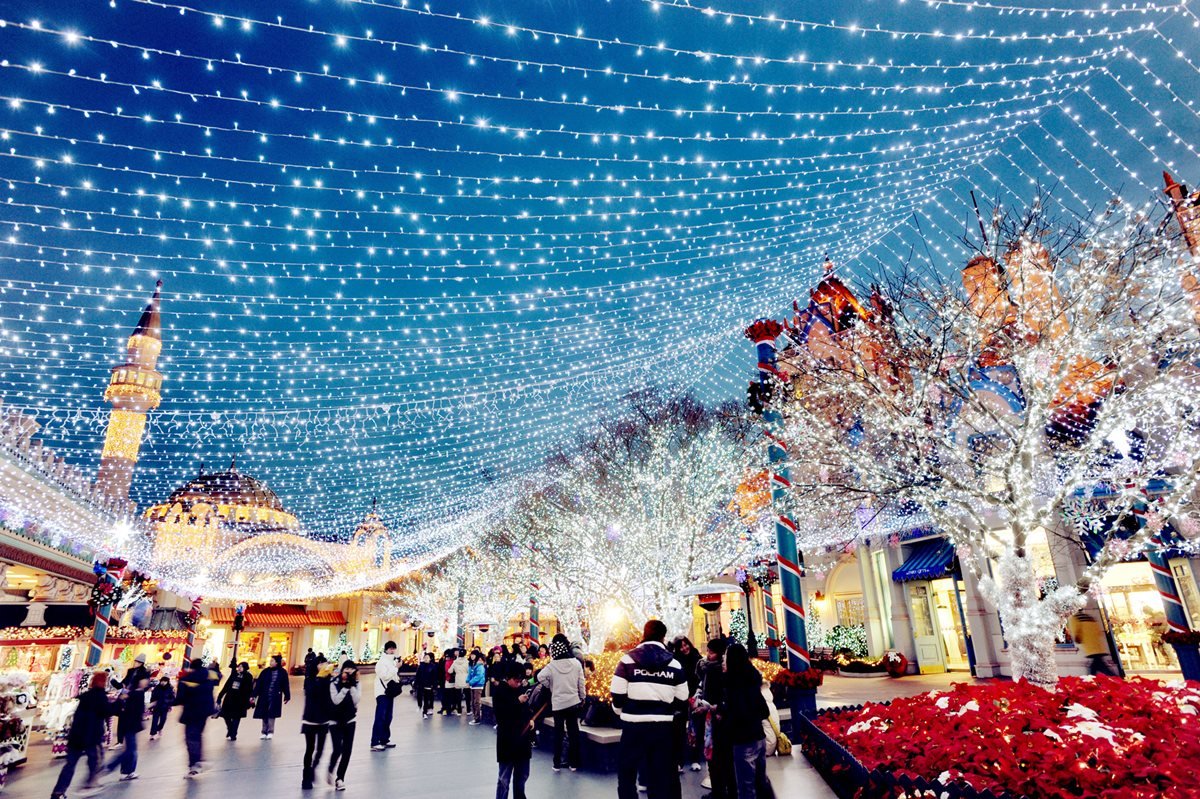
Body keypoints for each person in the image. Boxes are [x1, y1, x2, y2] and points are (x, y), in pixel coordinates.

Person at [611, 620, 689, 799]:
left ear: (644, 634)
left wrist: (621, 712)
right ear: (663, 636)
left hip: (633, 728)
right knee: (661, 777)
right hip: (662, 729)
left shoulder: (627, 660)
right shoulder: (674, 664)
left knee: (627, 774)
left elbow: (617, 695)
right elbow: (682, 698)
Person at [720, 643, 773, 799]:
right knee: (760, 780)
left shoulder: (734, 684)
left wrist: (723, 714)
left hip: (743, 738)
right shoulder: (752, 678)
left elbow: (738, 711)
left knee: (746, 785)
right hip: (758, 736)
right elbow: (763, 711)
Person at [50, 672, 113, 799]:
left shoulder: (85, 697)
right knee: (95, 762)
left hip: (76, 736)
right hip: (91, 737)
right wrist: (119, 702)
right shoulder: (101, 697)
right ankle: (90, 785)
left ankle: (58, 791)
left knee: (70, 765)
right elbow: (107, 711)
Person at [537, 633, 586, 772]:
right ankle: (573, 763)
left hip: (558, 704)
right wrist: (582, 697)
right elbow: (581, 683)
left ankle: (556, 763)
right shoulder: (576, 663)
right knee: (573, 732)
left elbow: (540, 677)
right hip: (573, 703)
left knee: (558, 733)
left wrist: (550, 685)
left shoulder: (552, 665)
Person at [696, 638, 735, 799]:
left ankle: (723, 790)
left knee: (720, 757)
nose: (708, 655)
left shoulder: (721, 672)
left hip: (718, 719)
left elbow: (726, 697)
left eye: (711, 652)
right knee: (714, 755)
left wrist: (716, 708)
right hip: (709, 716)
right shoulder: (705, 668)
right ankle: (719, 789)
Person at [102, 654, 151, 780]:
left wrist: (127, 694)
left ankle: (122, 769)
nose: (135, 663)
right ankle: (123, 770)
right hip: (127, 712)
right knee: (130, 746)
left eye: (137, 661)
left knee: (130, 745)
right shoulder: (131, 672)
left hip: (133, 713)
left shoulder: (144, 674)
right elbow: (122, 685)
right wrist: (114, 681)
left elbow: (136, 690)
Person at [493, 662, 534, 799]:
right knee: (504, 778)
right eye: (516, 680)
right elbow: (501, 715)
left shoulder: (521, 689)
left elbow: (527, 710)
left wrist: (531, 720)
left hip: (522, 741)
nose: (518, 683)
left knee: (522, 776)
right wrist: (517, 701)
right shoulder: (500, 691)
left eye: (520, 680)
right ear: (508, 678)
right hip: (508, 741)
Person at [177, 658, 219, 778]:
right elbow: (219, 676)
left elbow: (180, 698)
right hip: (205, 711)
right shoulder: (209, 675)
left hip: (191, 712)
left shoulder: (186, 679)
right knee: (198, 735)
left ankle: (195, 764)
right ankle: (197, 763)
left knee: (191, 737)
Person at [327, 660, 361, 791]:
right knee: (337, 749)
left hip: (350, 720)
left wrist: (351, 686)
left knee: (347, 751)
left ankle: (340, 778)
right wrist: (345, 688)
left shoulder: (356, 683)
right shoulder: (334, 683)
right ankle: (331, 768)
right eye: (347, 669)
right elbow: (335, 700)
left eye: (352, 670)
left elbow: (357, 700)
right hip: (335, 721)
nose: (349, 672)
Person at [301, 661, 335, 789]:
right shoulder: (310, 680)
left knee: (320, 749)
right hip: (310, 719)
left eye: (325, 664)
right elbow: (311, 694)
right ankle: (306, 778)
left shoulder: (328, 681)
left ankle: (313, 769)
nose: (323, 666)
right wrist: (320, 678)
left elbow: (330, 697)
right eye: (321, 664)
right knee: (310, 749)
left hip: (323, 720)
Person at [671, 637, 703, 773]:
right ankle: (679, 762)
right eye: (681, 647)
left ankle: (695, 759)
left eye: (686, 645)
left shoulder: (697, 657)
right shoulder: (675, 661)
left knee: (696, 729)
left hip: (695, 698)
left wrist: (698, 694)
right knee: (678, 731)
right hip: (680, 700)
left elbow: (702, 678)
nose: (685, 648)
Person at [1068, 610, 1120, 676]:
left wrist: (1077, 640)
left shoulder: (1074, 618)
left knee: (1099, 668)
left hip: (1090, 648)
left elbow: (1077, 635)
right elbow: (1099, 632)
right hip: (1098, 646)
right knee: (1096, 666)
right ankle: (1092, 680)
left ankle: (1115, 680)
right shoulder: (1090, 617)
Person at [370, 640, 400, 751]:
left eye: (393, 648)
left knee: (388, 717)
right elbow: (385, 676)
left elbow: (393, 676)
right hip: (382, 693)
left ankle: (384, 739)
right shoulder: (381, 662)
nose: (392, 650)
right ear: (386, 649)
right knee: (380, 717)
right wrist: (396, 668)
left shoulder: (392, 661)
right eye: (390, 648)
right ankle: (375, 741)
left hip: (389, 693)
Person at [253, 654, 291, 739]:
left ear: (277, 662)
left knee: (271, 714)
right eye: (270, 661)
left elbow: (285, 684)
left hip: (275, 696)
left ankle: (270, 731)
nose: (270, 662)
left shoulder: (282, 672)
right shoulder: (265, 671)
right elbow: (259, 684)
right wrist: (254, 695)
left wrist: (287, 696)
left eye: (272, 661)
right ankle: (263, 731)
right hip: (264, 695)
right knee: (264, 714)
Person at [217, 661, 255, 741]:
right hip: (229, 698)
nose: (239, 668)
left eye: (241, 667)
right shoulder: (234, 674)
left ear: (245, 667)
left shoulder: (248, 676)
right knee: (226, 715)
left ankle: (233, 734)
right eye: (239, 666)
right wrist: (220, 696)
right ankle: (230, 729)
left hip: (240, 700)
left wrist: (250, 699)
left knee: (236, 717)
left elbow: (249, 689)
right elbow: (226, 686)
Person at [148, 675, 175, 740]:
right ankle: (153, 734)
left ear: (167, 682)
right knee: (154, 721)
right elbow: (153, 697)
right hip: (156, 707)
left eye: (165, 681)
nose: (163, 682)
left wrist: (169, 704)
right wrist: (151, 707)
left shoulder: (170, 689)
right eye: (162, 681)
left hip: (165, 708)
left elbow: (173, 698)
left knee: (163, 720)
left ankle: (159, 729)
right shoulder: (157, 688)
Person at [467, 650, 488, 725]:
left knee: (476, 702)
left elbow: (479, 676)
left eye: (474, 655)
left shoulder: (480, 665)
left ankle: (477, 718)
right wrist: (467, 680)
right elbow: (469, 674)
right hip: (472, 685)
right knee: (473, 702)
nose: (472, 656)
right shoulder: (471, 664)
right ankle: (475, 717)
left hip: (478, 685)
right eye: (471, 655)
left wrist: (470, 682)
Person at [415, 652, 438, 718]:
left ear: (430, 659)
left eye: (427, 658)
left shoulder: (433, 666)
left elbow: (434, 677)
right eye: (425, 658)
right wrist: (416, 683)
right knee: (419, 696)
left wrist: (434, 686)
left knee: (426, 698)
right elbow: (417, 675)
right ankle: (419, 705)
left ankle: (424, 712)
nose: (426, 659)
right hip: (421, 684)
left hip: (428, 685)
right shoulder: (421, 666)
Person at [451, 648, 469, 714]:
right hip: (465, 680)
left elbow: (450, 671)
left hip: (458, 680)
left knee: (458, 696)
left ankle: (459, 711)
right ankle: (468, 710)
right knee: (467, 696)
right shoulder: (467, 662)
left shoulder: (455, 662)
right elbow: (469, 671)